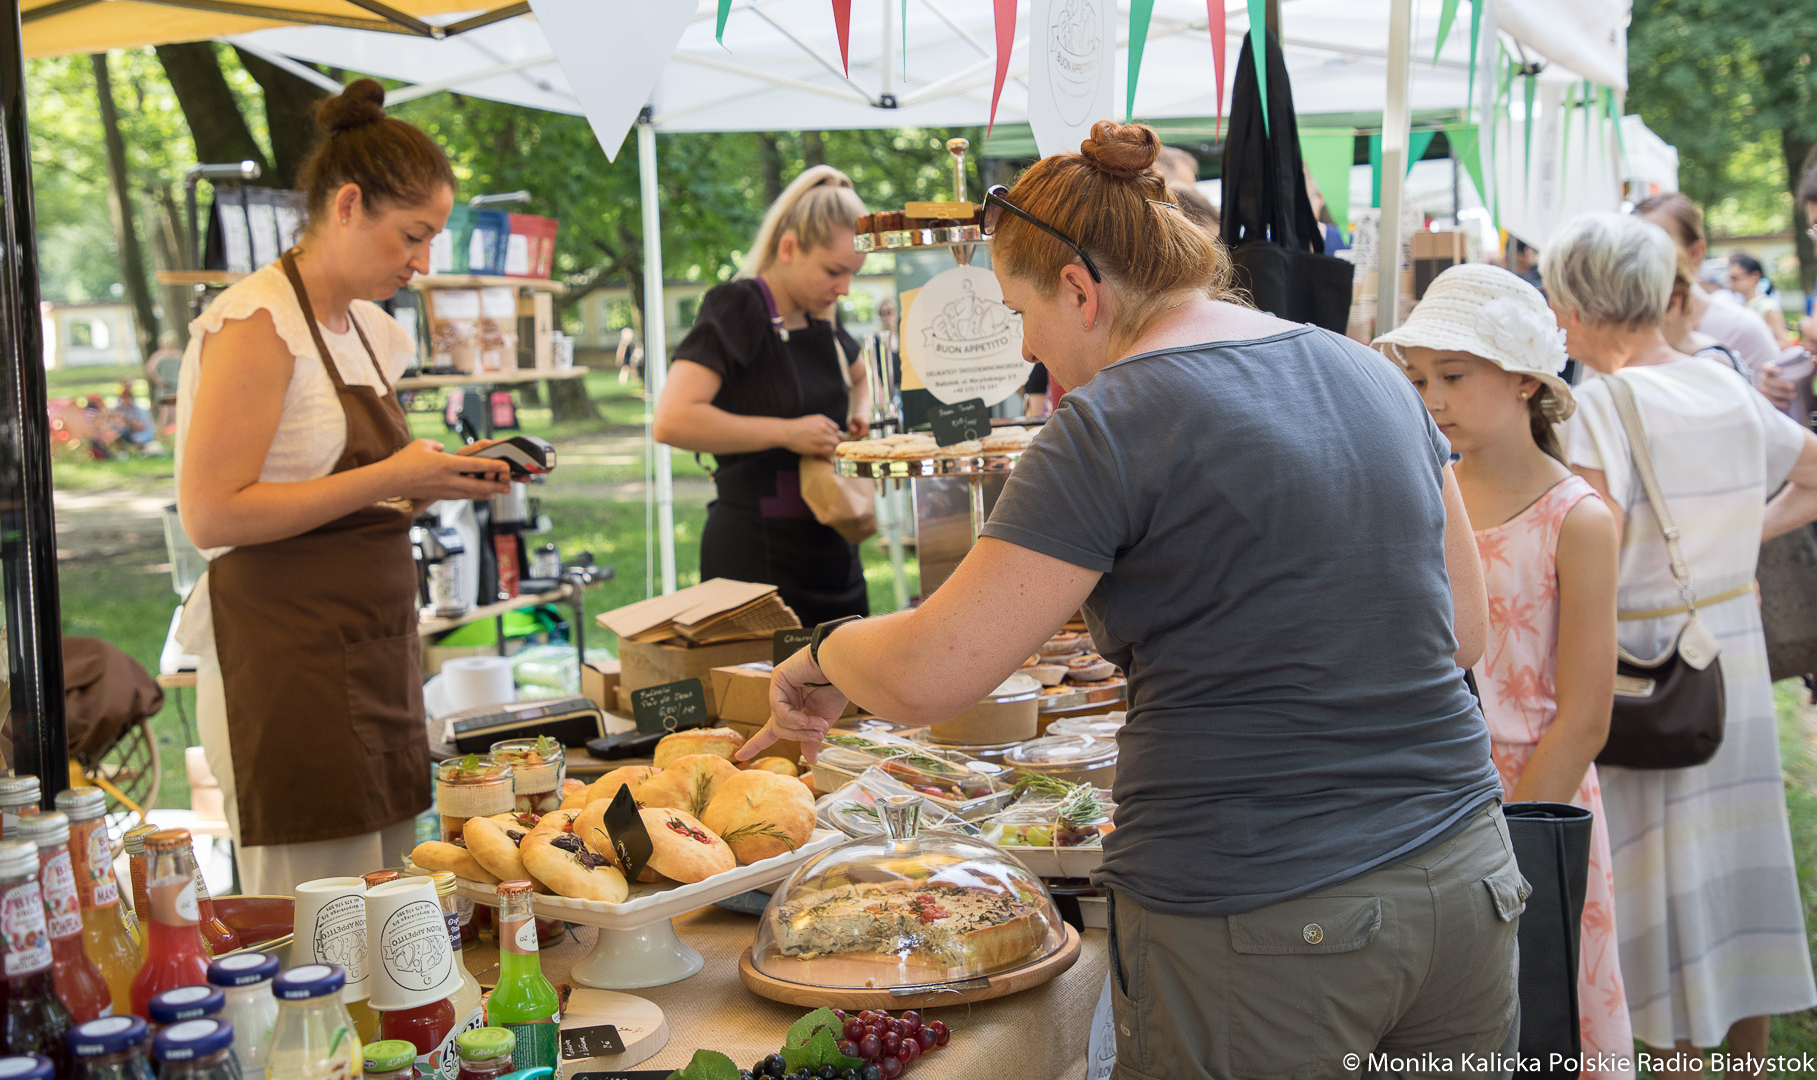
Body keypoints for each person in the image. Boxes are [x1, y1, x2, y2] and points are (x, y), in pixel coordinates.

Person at [739, 122, 1524, 1074]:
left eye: (1018, 311)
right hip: (1466, 880)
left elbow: (930, 672)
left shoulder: (1114, 417)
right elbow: (1464, 632)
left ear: (1079, 289)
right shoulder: (1365, 368)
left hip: (1265, 908)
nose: (1028, 350)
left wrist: (824, 652)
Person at [173, 79, 512, 895]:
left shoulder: (368, 328)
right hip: (288, 660)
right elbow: (210, 512)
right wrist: (392, 473)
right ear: (349, 204)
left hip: (375, 648)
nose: (422, 261)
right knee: (316, 923)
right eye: (413, 235)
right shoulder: (258, 323)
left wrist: (427, 482)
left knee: (390, 901)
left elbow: (351, 491)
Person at [1544, 211, 1817, 1075]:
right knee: (1737, 875)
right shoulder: (1719, 382)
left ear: (1575, 306)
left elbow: (1582, 555)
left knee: (1656, 894)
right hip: (1725, 652)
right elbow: (1810, 470)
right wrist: (1737, 543)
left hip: (1641, 667)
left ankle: (1681, 1063)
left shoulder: (1598, 406)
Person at [1381, 265, 1633, 1078]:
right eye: (1420, 379)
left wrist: (1514, 848)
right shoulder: (1421, 492)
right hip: (1425, 800)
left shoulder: (1579, 519)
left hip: (1534, 800)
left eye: (1454, 375)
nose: (1435, 398)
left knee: (1546, 1015)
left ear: (1526, 378)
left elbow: (1586, 717)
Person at [653, 166, 871, 625]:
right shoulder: (737, 307)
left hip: (832, 552)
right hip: (755, 559)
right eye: (833, 271)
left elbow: (861, 376)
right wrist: (788, 433)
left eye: (853, 274)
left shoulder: (822, 317)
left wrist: (862, 415)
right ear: (788, 248)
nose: (844, 289)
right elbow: (673, 420)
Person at [1632, 193, 1796, 411]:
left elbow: (1782, 426)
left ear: (1695, 252)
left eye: (1657, 245)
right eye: (1632, 246)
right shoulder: (1617, 332)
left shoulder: (1743, 329)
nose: (1640, 260)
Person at [1725, 253, 1793, 347]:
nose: (1731, 283)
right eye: (1730, 278)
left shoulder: (1768, 307)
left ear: (1755, 276)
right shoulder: (1736, 305)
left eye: (1735, 278)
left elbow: (1784, 342)